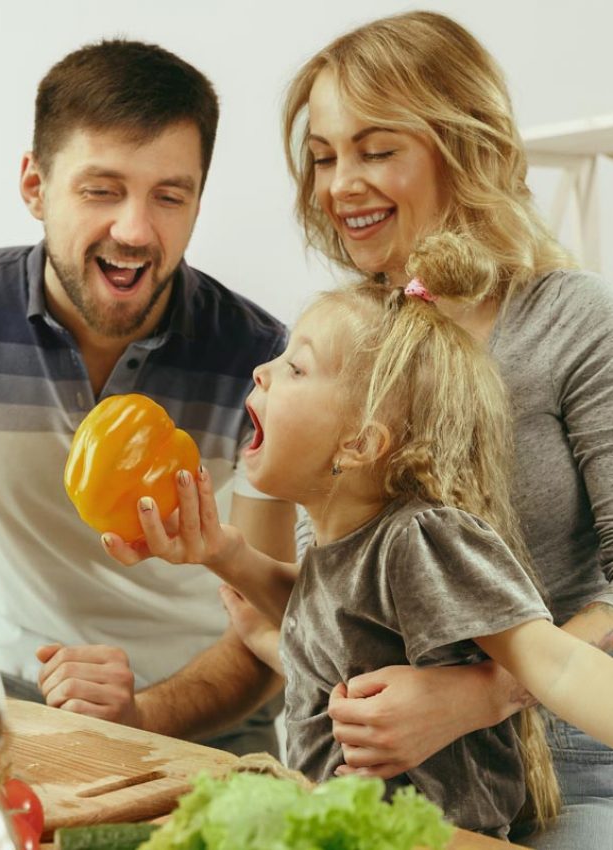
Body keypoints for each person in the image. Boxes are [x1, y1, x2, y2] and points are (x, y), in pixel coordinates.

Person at [103, 238, 613, 839]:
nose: (261, 371)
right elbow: (330, 613)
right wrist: (220, 551)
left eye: (296, 367)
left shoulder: (421, 539)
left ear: (358, 445)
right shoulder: (344, 544)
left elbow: (552, 666)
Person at [277, 10, 613, 846]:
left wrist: (481, 693)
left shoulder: (572, 321)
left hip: (569, 767)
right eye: (323, 157)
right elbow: (325, 598)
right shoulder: (339, 351)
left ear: (462, 144)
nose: (338, 185)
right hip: (384, 782)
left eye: (375, 149)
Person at [0, 38, 296, 756]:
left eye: (169, 196)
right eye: (101, 189)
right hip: (13, 698)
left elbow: (268, 628)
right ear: (34, 187)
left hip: (209, 722)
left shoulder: (264, 364)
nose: (134, 230)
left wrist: (141, 715)